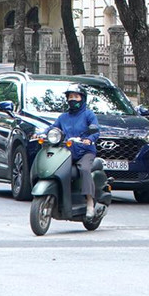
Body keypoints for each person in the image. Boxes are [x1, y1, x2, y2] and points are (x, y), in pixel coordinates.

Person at [54, 85, 100, 218]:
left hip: (85, 152)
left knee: (84, 169)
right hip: (67, 152)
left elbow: (95, 130)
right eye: (70, 96)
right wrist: (41, 134)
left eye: (76, 96)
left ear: (82, 98)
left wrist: (89, 139)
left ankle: (90, 201)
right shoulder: (63, 117)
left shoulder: (88, 114)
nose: (72, 99)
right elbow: (54, 128)